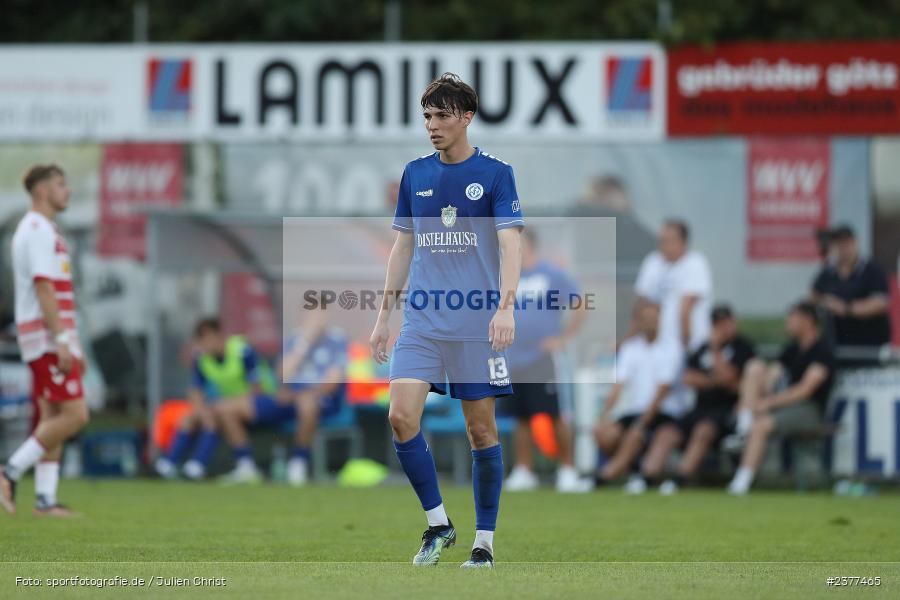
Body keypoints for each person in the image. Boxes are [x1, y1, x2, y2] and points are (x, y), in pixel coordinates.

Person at [369, 73, 523, 569]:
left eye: (441, 116)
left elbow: (510, 243)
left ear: (466, 117)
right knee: (400, 416)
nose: (432, 125)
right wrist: (382, 318)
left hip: (476, 324)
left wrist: (506, 306)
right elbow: (403, 246)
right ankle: (439, 524)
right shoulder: (415, 174)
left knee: (481, 431)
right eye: (427, 116)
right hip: (423, 323)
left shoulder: (496, 174)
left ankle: (484, 543)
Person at [2, 164, 89, 517]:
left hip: (50, 336)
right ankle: (9, 471)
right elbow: (44, 287)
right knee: (75, 414)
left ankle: (44, 501)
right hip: (46, 337)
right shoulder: (36, 228)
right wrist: (62, 339)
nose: (66, 190)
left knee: (52, 415)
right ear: (41, 191)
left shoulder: (46, 229)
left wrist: (71, 339)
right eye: (60, 184)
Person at [501, 228, 591, 493]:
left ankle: (567, 470)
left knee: (555, 414)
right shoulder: (506, 275)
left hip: (544, 357)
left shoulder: (551, 274)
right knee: (521, 417)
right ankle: (524, 471)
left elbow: (580, 303)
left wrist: (564, 338)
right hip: (514, 356)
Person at [214, 309, 347, 485]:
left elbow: (332, 383)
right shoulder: (295, 339)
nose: (316, 320)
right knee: (225, 408)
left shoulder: (337, 340)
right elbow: (281, 374)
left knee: (307, 404)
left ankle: (298, 463)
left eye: (320, 315)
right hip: (288, 398)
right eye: (312, 315)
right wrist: (305, 342)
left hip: (319, 400)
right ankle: (245, 466)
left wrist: (298, 395)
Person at [726, 301, 834, 495]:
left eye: (792, 318)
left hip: (809, 410)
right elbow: (771, 377)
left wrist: (767, 403)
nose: (788, 323)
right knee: (754, 367)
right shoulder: (792, 349)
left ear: (807, 320)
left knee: (761, 425)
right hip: (785, 407)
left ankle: (741, 482)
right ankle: (743, 425)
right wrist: (753, 393)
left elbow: (805, 390)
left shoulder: (822, 350)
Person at [154, 318, 277, 480]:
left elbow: (257, 389)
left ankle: (245, 466)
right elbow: (195, 391)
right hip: (226, 405)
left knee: (221, 411)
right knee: (190, 418)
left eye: (206, 338)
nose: (203, 344)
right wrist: (200, 411)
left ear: (219, 335)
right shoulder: (202, 358)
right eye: (200, 339)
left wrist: (222, 405)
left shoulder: (242, 350)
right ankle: (172, 465)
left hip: (263, 402)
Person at [655, 305, 755, 494]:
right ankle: (645, 477)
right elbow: (688, 378)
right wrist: (715, 380)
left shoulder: (742, 347)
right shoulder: (702, 348)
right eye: (718, 324)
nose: (722, 328)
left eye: (726, 323)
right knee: (667, 431)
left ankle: (681, 478)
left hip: (727, 410)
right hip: (700, 407)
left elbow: (731, 380)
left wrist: (716, 352)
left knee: (704, 429)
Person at [593, 302, 686, 494]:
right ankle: (635, 471)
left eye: (654, 318)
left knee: (638, 435)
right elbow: (618, 386)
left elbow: (663, 390)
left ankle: (605, 476)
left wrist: (643, 422)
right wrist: (602, 418)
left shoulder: (672, 347)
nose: (650, 323)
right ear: (638, 322)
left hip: (666, 412)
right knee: (605, 434)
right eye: (646, 319)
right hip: (636, 411)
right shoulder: (631, 348)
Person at [810, 225, 891, 363]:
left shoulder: (872, 271)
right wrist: (824, 302)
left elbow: (880, 303)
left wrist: (846, 309)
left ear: (855, 243)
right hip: (838, 346)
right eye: (839, 244)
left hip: (869, 348)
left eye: (846, 243)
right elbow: (814, 295)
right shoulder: (828, 272)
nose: (843, 248)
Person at [633, 220, 713, 352]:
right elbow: (641, 304)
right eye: (661, 240)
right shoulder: (652, 262)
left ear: (683, 243)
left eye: (667, 241)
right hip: (658, 346)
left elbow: (686, 307)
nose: (662, 245)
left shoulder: (696, 263)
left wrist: (686, 345)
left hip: (688, 345)